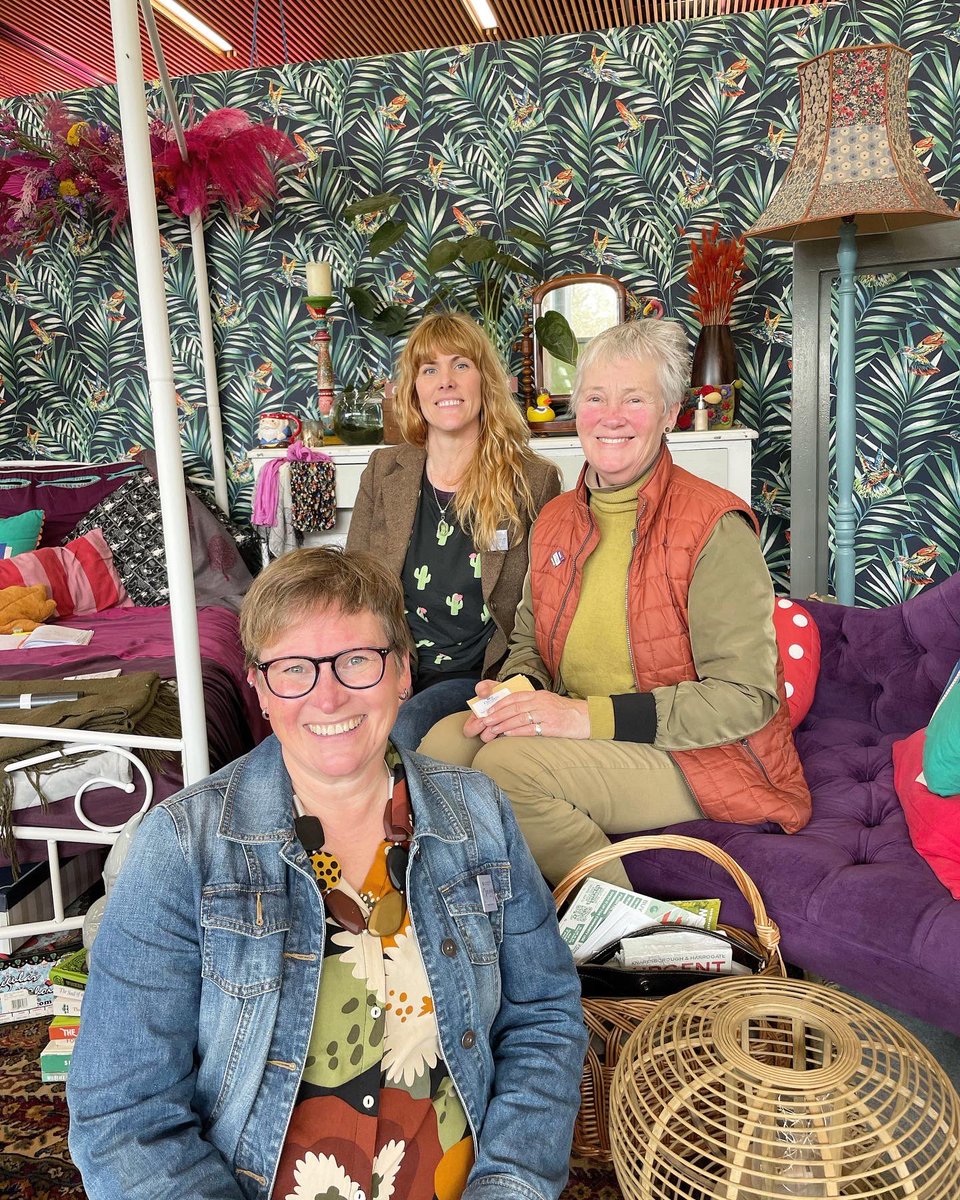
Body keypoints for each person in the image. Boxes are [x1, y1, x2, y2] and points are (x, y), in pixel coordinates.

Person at [67, 547, 587, 1200]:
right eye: (294, 668)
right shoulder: (181, 847)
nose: (329, 693)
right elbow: (122, 1111)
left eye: (357, 660)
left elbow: (544, 1018)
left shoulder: (476, 813)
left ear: (402, 671)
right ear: (258, 687)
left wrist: (510, 1185)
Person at [420, 319, 812, 888]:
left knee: (508, 770)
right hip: (585, 727)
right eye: (596, 398)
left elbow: (745, 697)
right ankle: (485, 908)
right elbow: (530, 640)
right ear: (576, 409)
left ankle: (624, 931)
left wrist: (584, 717)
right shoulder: (555, 518)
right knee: (441, 747)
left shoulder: (714, 525)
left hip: (701, 755)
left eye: (635, 399)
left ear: (671, 411)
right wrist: (520, 691)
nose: (612, 416)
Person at [346, 312, 561, 750]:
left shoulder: (532, 481)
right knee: (301, 738)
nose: (445, 381)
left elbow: (549, 600)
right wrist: (386, 665)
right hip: (388, 663)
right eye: (430, 369)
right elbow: (357, 586)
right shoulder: (384, 470)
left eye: (460, 365)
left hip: (474, 673)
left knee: (398, 733)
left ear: (484, 380)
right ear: (415, 389)